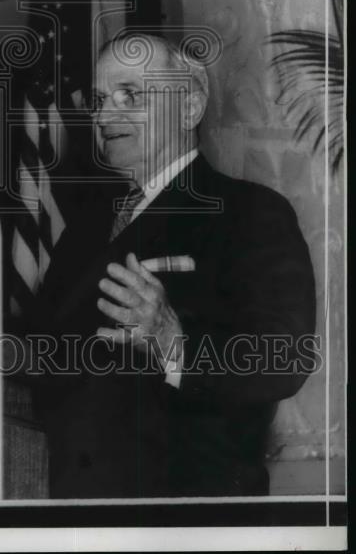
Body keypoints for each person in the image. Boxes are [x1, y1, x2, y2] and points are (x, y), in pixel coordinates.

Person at [33, 31, 317, 498]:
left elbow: (283, 358)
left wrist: (174, 342)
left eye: (130, 95)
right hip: (75, 511)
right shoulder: (82, 232)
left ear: (189, 105)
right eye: (100, 99)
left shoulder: (247, 212)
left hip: (190, 516)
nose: (104, 116)